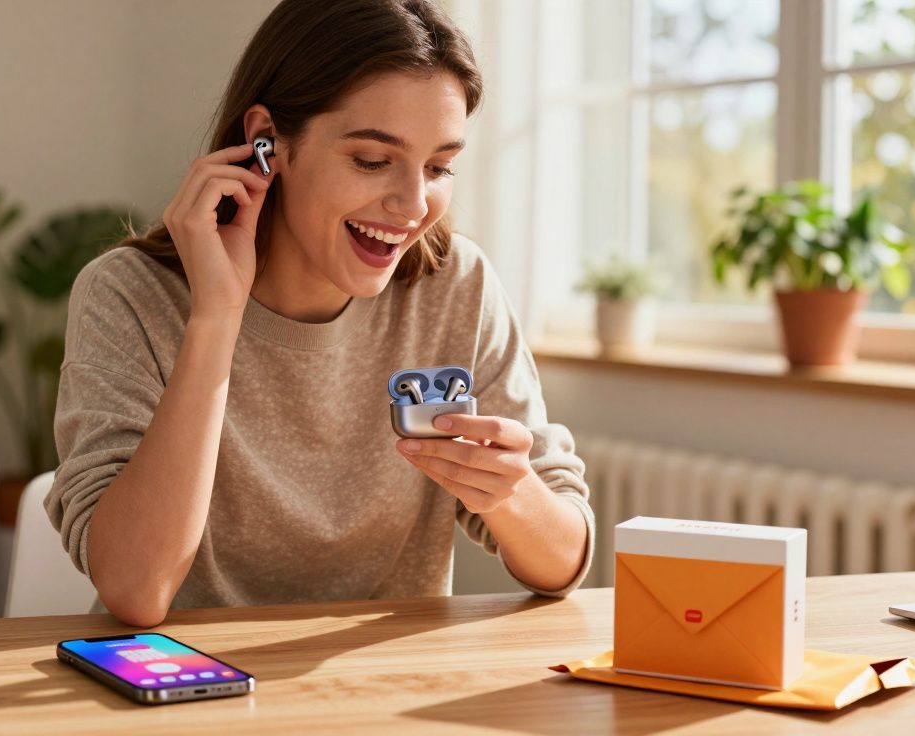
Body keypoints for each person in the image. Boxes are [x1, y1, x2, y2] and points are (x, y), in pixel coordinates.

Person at [46, 0, 594, 627]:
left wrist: (512, 489)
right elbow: (136, 592)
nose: (413, 204)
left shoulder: (455, 286)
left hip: (380, 698)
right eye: (372, 159)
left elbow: (562, 563)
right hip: (187, 688)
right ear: (266, 144)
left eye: (440, 166)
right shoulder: (130, 295)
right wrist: (216, 319)